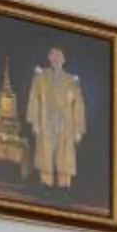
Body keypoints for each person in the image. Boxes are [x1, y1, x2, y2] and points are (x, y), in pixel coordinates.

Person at [26, 44, 88, 191]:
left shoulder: (72, 81)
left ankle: (64, 187)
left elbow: (78, 105)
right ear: (48, 57)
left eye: (58, 55)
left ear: (64, 59)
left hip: (66, 123)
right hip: (45, 120)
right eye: (52, 55)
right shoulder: (40, 77)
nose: (55, 58)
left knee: (65, 155)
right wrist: (35, 121)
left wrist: (78, 129)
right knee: (45, 154)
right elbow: (34, 98)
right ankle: (45, 185)